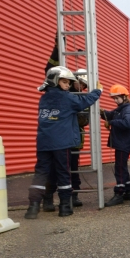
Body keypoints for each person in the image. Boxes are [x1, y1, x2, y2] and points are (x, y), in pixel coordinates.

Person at [24, 66, 102, 219]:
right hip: (61, 143)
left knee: (40, 174)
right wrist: (97, 91)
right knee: (63, 174)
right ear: (55, 81)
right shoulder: (67, 97)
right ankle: (65, 206)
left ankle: (33, 207)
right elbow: (84, 101)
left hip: (43, 143)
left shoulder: (44, 98)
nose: (68, 85)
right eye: (65, 82)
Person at [42, 69, 90, 210]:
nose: (81, 87)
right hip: (58, 138)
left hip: (73, 138)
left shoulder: (80, 98)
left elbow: (84, 120)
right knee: (53, 169)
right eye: (80, 83)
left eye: (84, 85)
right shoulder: (59, 95)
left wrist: (72, 113)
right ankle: (48, 197)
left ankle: (73, 195)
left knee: (73, 168)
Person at [100, 85, 130, 207]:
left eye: (117, 98)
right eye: (114, 98)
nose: (115, 101)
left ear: (124, 97)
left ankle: (119, 193)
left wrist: (111, 122)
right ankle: (129, 191)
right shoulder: (120, 109)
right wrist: (102, 112)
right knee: (122, 168)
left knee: (120, 169)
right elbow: (110, 114)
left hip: (123, 143)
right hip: (121, 143)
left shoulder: (127, 110)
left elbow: (127, 123)